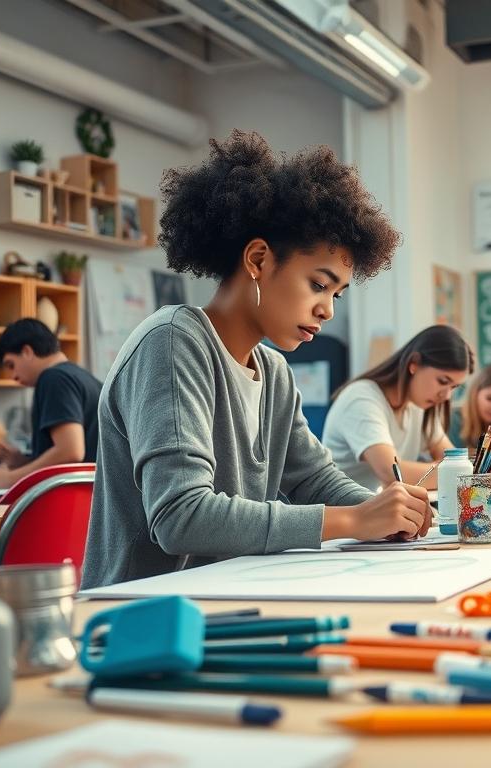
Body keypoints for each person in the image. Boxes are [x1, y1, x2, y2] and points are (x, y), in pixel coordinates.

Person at [82, 130, 428, 589]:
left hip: (227, 595)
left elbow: (316, 480)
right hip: (142, 610)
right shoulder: (171, 342)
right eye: (318, 285)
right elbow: (181, 516)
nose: (328, 310)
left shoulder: (275, 373)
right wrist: (353, 521)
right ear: (259, 259)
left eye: (337, 294)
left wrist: (391, 512)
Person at [323, 326, 473, 492]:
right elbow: (391, 473)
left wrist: (455, 468)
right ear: (414, 364)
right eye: (443, 381)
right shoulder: (360, 398)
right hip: (346, 505)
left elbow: (454, 459)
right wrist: (454, 471)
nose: (446, 396)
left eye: (454, 387)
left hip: (377, 504)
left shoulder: (419, 405)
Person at [0, 318, 101, 489]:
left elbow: (71, 451)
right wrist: (22, 461)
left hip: (75, 498)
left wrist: (10, 478)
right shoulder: (82, 377)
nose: (13, 377)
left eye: (11, 365)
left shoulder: (53, 378)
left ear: (27, 352)